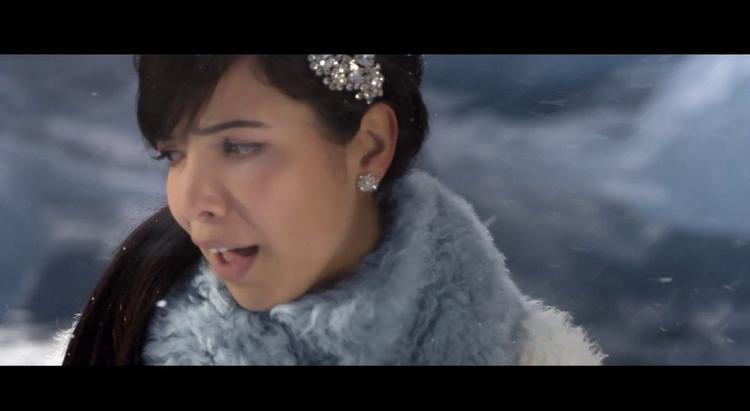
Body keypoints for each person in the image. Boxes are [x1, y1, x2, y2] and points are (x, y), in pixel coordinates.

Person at [58, 55, 606, 365]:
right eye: (174, 155)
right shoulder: (122, 336)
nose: (193, 202)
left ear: (369, 147)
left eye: (239, 146)